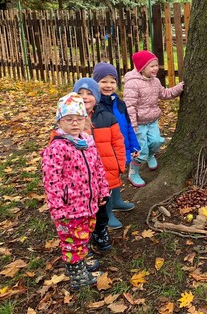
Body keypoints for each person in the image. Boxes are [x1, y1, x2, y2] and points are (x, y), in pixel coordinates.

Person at [41, 93, 109, 290]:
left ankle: (77, 263)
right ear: (59, 121)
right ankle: (78, 275)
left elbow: (97, 168)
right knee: (72, 239)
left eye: (79, 119)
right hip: (69, 207)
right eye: (68, 119)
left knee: (84, 235)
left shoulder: (87, 142)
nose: (74, 123)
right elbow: (51, 180)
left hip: (88, 203)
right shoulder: (57, 147)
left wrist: (102, 190)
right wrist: (57, 207)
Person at [73, 78, 126, 243]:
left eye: (89, 93)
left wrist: (119, 165)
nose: (85, 97)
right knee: (86, 205)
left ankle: (101, 229)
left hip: (105, 169)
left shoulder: (107, 117)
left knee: (104, 200)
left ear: (96, 96)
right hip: (81, 175)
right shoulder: (70, 119)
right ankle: (85, 235)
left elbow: (118, 142)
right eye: (80, 93)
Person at [93, 62, 139, 229]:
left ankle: (117, 201)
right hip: (106, 151)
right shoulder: (96, 107)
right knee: (107, 180)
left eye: (112, 81)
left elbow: (128, 125)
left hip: (121, 147)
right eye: (103, 81)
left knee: (118, 173)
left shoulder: (119, 103)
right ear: (95, 82)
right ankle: (108, 211)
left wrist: (134, 145)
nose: (108, 85)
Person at [123, 50, 184, 174]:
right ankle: (133, 172)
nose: (155, 68)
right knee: (141, 150)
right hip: (139, 124)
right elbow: (129, 106)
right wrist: (133, 125)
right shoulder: (132, 83)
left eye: (156, 65)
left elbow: (164, 93)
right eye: (152, 66)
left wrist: (179, 88)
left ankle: (151, 155)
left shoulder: (155, 81)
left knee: (156, 141)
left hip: (152, 120)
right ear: (142, 67)